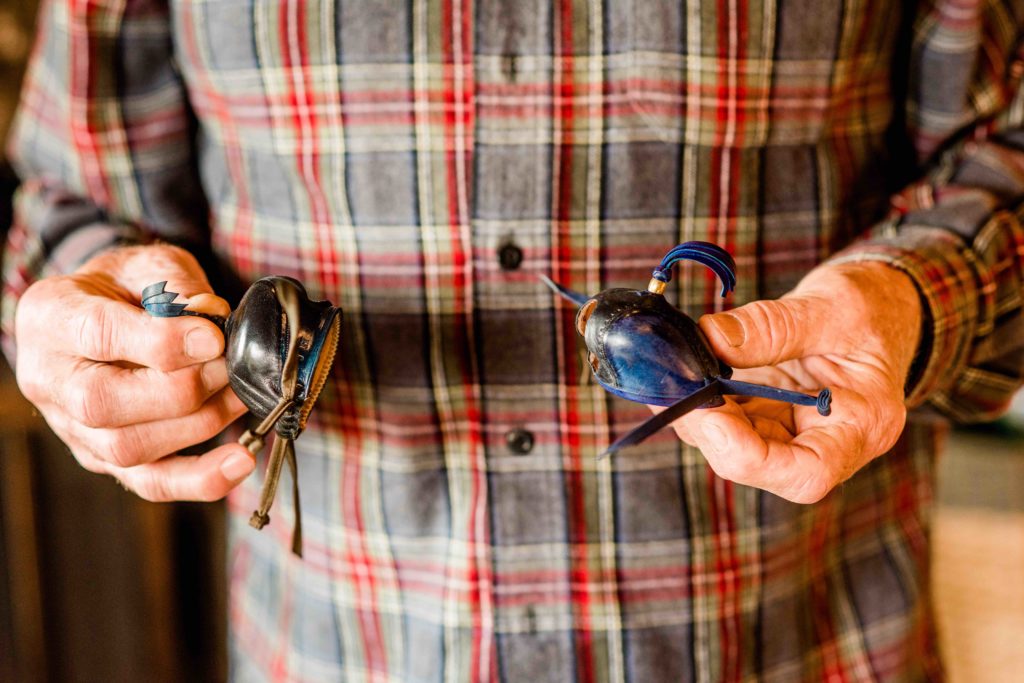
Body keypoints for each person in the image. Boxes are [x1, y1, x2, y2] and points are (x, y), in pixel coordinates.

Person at [3, 0, 1023, 680]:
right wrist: (102, 331)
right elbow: (72, 203)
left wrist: (913, 296)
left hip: (805, 640)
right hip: (332, 646)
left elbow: (1003, 144)